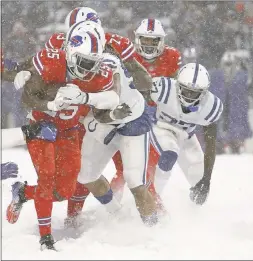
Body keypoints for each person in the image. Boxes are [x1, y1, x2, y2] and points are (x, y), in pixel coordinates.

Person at [6, 30, 127, 250]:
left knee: (64, 191)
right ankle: (46, 238)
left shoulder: (99, 73)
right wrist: (50, 106)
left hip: (70, 131)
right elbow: (27, 98)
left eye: (93, 63)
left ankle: (23, 192)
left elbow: (113, 98)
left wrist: (86, 97)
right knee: (47, 176)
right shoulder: (51, 61)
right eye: (84, 62)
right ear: (70, 54)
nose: (88, 69)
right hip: (41, 126)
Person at [60, 46, 158, 227]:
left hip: (132, 120)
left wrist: (84, 97)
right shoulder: (67, 67)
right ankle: (118, 215)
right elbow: (100, 114)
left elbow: (114, 96)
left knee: (134, 180)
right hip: (105, 121)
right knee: (86, 175)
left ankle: (153, 228)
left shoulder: (107, 63)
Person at [110, 18, 182, 206]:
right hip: (130, 119)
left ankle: (151, 203)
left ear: (162, 41)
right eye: (145, 39)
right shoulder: (127, 56)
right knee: (126, 169)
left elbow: (178, 91)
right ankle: (112, 207)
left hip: (158, 120)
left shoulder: (172, 56)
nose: (149, 45)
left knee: (148, 167)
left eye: (153, 40)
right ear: (137, 39)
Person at [149, 63, 223, 207]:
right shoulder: (162, 88)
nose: (189, 96)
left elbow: (210, 143)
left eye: (194, 92)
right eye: (186, 90)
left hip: (186, 136)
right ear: (178, 85)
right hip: (161, 127)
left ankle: (191, 217)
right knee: (169, 153)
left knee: (200, 186)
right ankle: (152, 201)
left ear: (204, 92)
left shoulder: (210, 106)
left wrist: (207, 179)